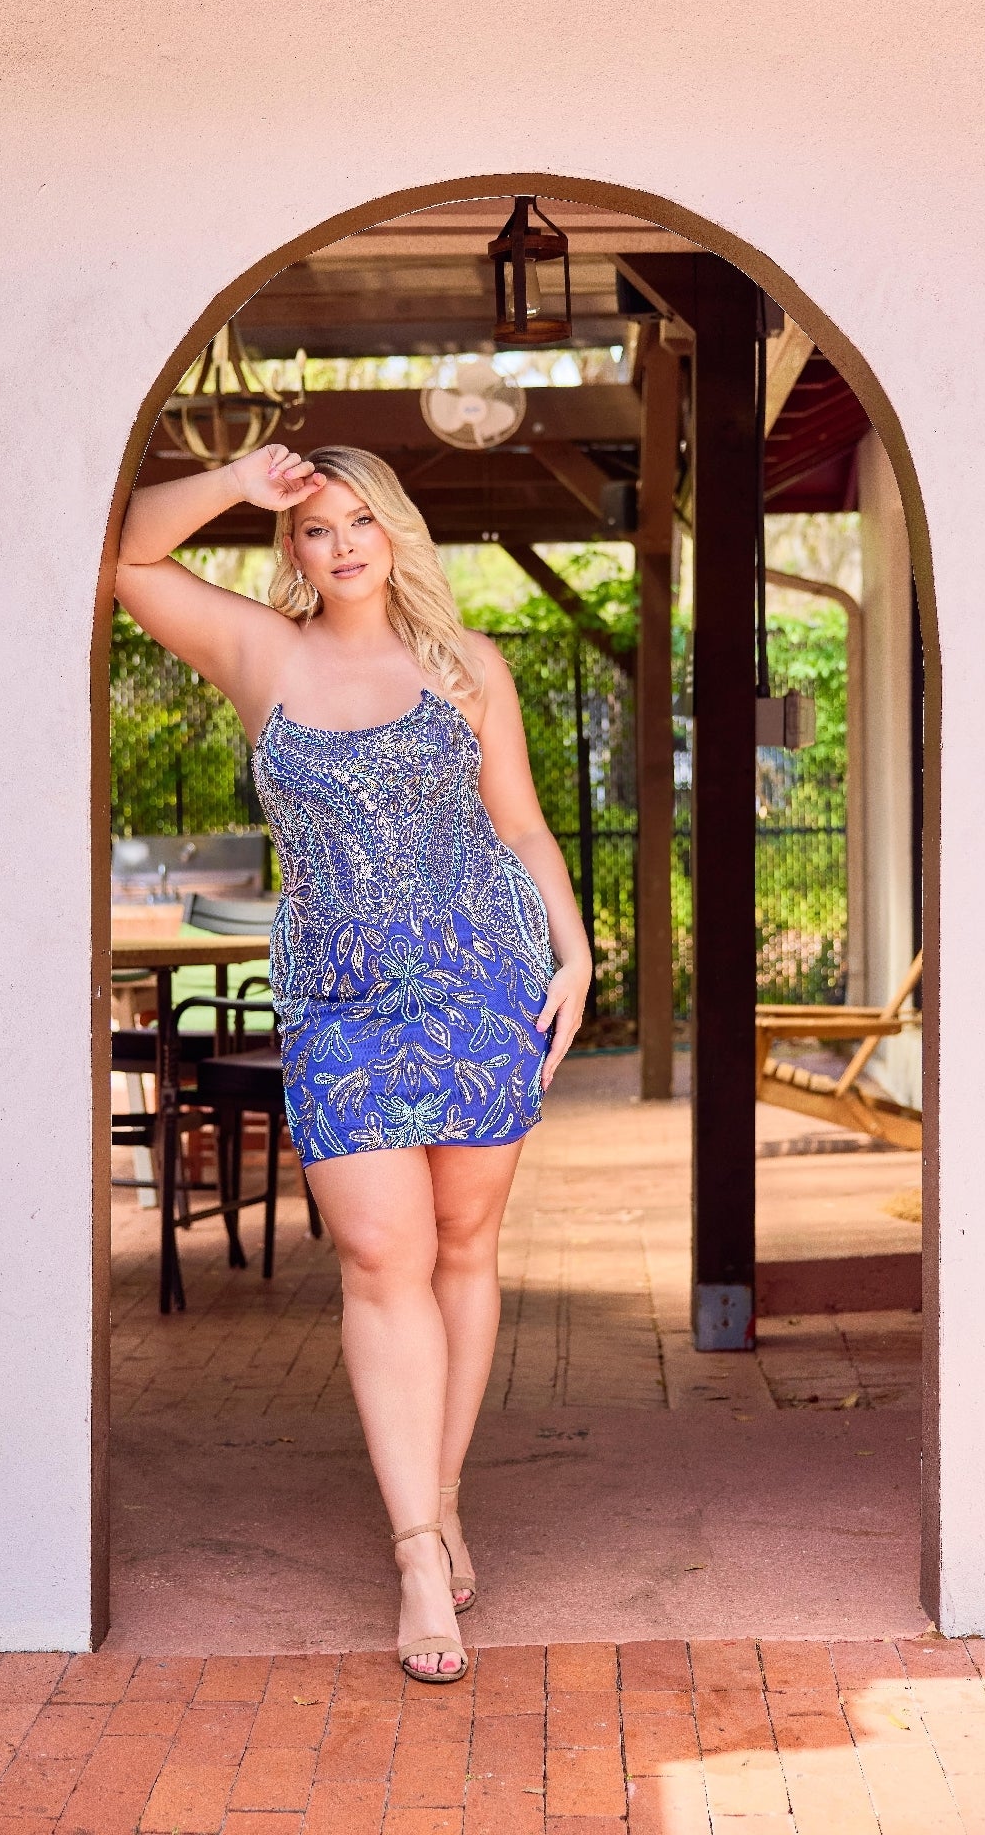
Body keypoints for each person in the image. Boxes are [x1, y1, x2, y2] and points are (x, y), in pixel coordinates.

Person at [115, 441, 592, 1683]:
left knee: (464, 1249)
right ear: (293, 542)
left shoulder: (465, 664)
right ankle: (417, 1555)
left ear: (396, 531)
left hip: (483, 981)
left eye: (360, 519)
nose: (342, 544)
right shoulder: (259, 653)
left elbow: (523, 825)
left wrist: (577, 954)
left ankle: (438, 1492)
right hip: (339, 1000)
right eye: (317, 526)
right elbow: (121, 551)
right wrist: (233, 476)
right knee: (385, 1253)